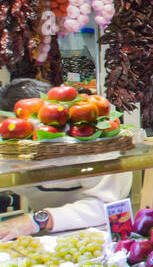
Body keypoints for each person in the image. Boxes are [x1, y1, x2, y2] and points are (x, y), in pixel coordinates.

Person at [0, 79, 132, 240]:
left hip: (102, 235)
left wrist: (34, 221)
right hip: (46, 238)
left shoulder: (92, 146)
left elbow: (104, 207)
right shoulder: (11, 147)